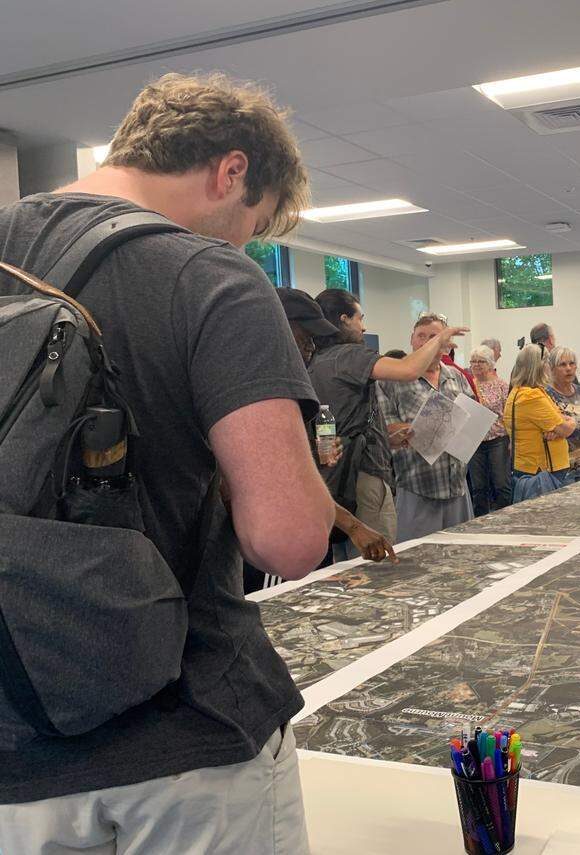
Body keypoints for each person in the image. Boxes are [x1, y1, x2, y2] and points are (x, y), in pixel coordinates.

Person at [0, 72, 335, 853]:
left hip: (15, 743)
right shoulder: (209, 275)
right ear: (232, 171)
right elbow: (288, 539)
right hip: (185, 737)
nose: (240, 245)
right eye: (249, 225)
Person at [242, 289, 396, 593]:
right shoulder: (261, 393)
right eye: (305, 336)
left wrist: (311, 452)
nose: (312, 346)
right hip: (276, 541)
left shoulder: (294, 388)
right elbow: (281, 474)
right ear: (279, 331)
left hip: (309, 532)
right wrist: (354, 526)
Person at [308, 289, 463, 547]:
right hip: (365, 474)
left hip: (336, 476)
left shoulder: (317, 360)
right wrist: (440, 340)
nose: (364, 326)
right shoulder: (350, 355)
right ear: (345, 319)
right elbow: (409, 369)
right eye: (360, 318)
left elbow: (346, 417)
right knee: (376, 555)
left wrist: (386, 438)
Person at [379, 313, 474, 540]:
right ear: (412, 340)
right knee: (417, 562)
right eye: (421, 336)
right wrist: (415, 429)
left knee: (460, 557)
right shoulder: (392, 379)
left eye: (434, 336)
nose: (427, 342)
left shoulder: (457, 378)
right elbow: (385, 428)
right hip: (417, 486)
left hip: (457, 486)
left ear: (446, 344)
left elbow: (471, 421)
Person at [504, 344, 575, 499]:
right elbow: (565, 429)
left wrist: (559, 424)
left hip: (530, 467)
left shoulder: (518, 392)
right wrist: (571, 422)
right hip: (542, 471)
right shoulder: (531, 396)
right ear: (539, 366)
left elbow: (557, 420)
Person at [546, 346, 580, 482]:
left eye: (572, 364)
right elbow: (548, 432)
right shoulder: (547, 395)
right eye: (563, 364)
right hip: (560, 471)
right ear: (552, 369)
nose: (568, 368)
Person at [467, 344, 511, 516]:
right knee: (478, 487)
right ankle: (479, 521)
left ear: (491, 364)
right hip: (475, 441)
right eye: (473, 361)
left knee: (501, 484)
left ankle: (505, 518)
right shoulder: (468, 384)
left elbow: (509, 414)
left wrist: (512, 440)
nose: (476, 365)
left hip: (498, 439)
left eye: (481, 361)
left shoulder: (502, 385)